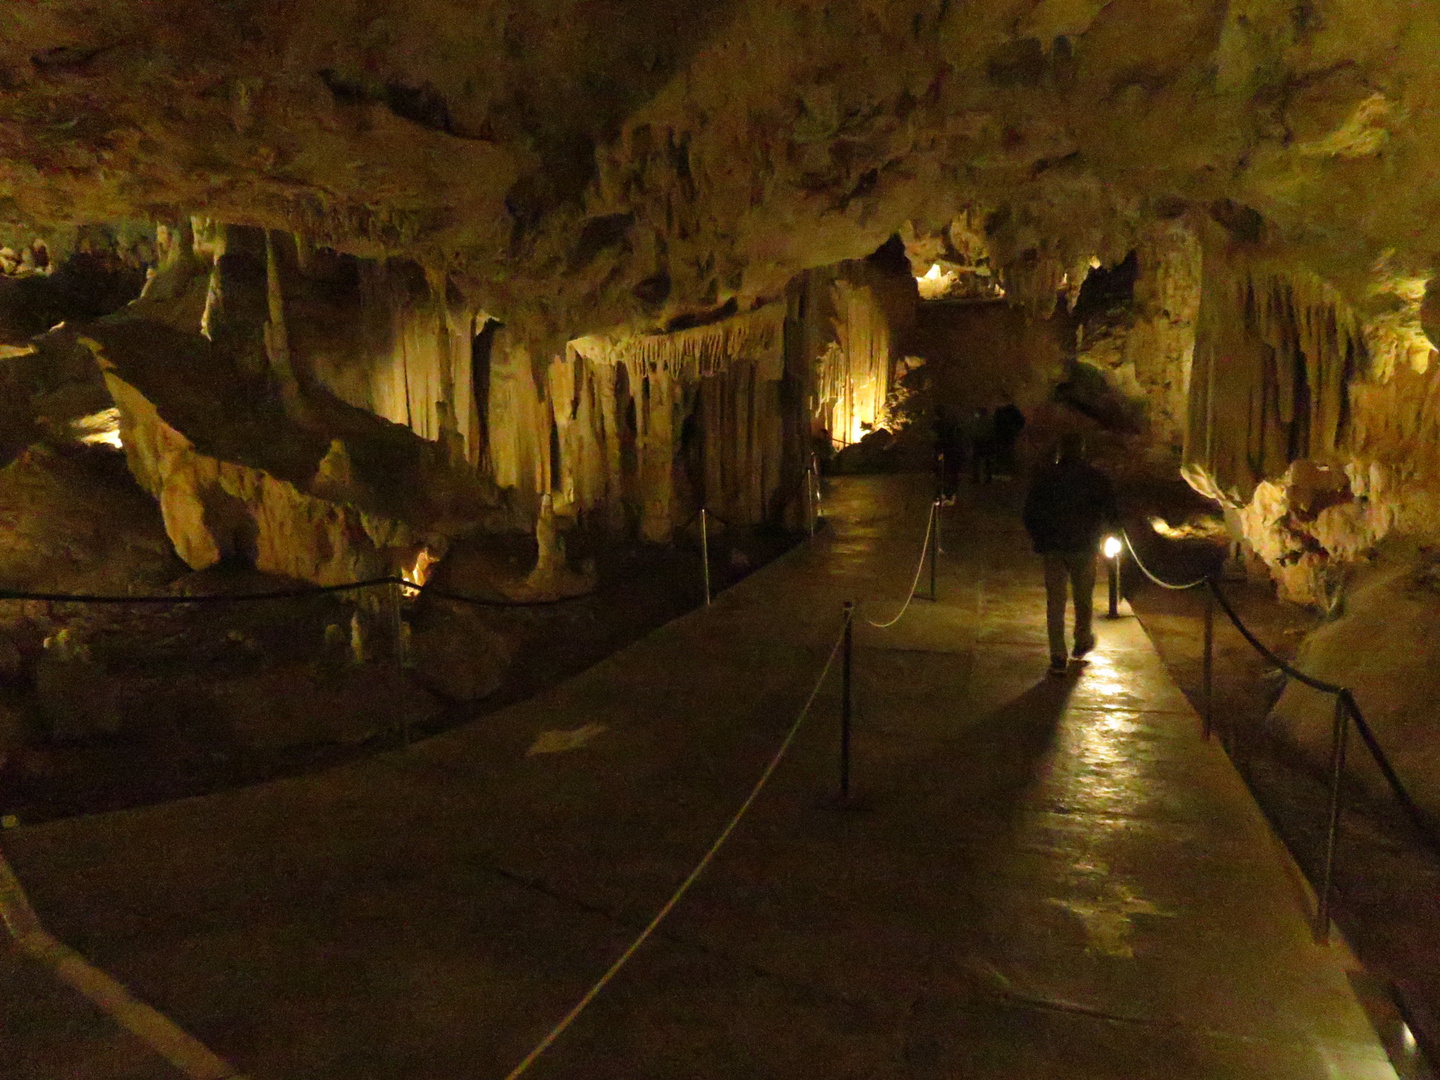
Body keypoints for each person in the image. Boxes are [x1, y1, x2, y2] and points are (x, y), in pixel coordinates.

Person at [1022, 432, 1119, 675]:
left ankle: (1057, 652)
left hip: (1054, 546)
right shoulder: (1095, 479)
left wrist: (1040, 537)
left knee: (1055, 600)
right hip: (1085, 546)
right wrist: (1111, 531)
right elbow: (1111, 510)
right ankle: (1082, 638)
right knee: (1083, 597)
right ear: (1083, 451)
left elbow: (1030, 512)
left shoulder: (1047, 478)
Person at [992, 401, 1026, 479]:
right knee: (1008, 450)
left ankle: (1001, 468)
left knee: (1001, 451)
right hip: (1009, 434)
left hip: (1001, 435)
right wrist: (1016, 430)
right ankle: (1007, 468)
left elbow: (995, 424)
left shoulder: (999, 412)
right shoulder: (1013, 412)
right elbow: (1021, 421)